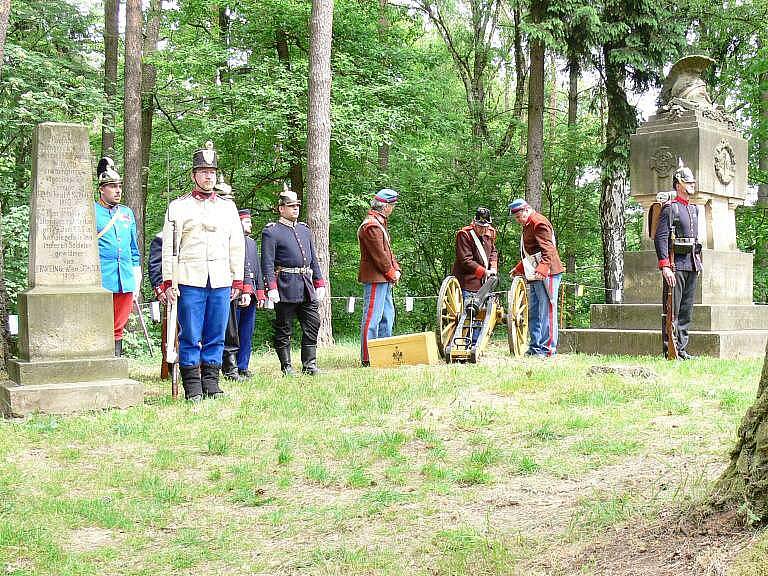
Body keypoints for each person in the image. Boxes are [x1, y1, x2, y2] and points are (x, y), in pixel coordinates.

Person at [159, 142, 245, 402]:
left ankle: (212, 382)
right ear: (194, 175)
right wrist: (168, 281)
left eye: (212, 172)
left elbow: (236, 244)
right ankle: (193, 387)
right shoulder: (178, 206)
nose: (209, 176)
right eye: (204, 171)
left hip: (219, 278)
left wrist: (237, 279)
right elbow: (169, 248)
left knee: (216, 333)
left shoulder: (227, 207)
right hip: (189, 278)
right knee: (191, 334)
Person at [261, 191, 326, 376]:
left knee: (313, 323)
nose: (295, 208)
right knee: (284, 328)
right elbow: (267, 262)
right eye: (291, 206)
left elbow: (312, 258)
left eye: (297, 205)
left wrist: (319, 282)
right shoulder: (271, 231)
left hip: (306, 285)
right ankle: (286, 367)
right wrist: (271, 287)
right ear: (281, 208)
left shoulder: (304, 229)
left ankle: (310, 365)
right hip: (285, 286)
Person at [654, 161, 701, 360]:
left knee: (686, 311)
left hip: (691, 263)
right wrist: (665, 266)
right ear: (678, 184)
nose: (692, 185)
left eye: (692, 182)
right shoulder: (670, 209)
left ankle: (681, 349)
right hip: (675, 265)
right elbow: (660, 237)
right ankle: (670, 350)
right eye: (688, 182)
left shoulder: (693, 209)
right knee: (671, 310)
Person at [94, 157, 141, 357]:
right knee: (99, 324)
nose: (118, 190)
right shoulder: (91, 211)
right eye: (112, 186)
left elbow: (133, 248)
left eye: (119, 186)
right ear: (101, 189)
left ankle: (116, 361)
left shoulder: (127, 213)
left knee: (119, 325)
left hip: (125, 278)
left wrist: (136, 277)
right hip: (103, 278)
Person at [509, 199, 564, 358]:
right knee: (534, 311)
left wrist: (543, 268)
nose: (518, 220)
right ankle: (535, 347)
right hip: (534, 273)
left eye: (519, 216)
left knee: (547, 311)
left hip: (548, 273)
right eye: (516, 218)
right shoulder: (528, 224)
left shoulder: (538, 222)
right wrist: (520, 268)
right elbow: (532, 251)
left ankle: (548, 350)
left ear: (527, 209)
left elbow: (548, 249)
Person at [357, 188, 401, 366]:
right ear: (385, 207)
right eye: (392, 206)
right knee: (372, 319)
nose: (393, 209)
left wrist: (395, 269)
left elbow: (388, 253)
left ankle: (384, 353)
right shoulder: (372, 226)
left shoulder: (378, 223)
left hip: (384, 278)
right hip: (376, 278)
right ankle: (368, 358)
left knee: (387, 317)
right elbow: (380, 256)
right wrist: (391, 272)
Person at [213, 177, 245, 381]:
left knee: (230, 327)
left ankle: (230, 367)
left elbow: (239, 253)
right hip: (205, 279)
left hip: (227, 279)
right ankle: (208, 369)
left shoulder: (233, 224)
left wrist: (239, 281)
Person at [236, 209, 265, 377]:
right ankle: (230, 365)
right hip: (237, 292)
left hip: (252, 293)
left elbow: (257, 269)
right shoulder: (231, 241)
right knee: (232, 332)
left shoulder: (252, 243)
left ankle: (243, 366)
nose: (250, 225)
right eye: (247, 222)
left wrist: (260, 293)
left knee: (246, 332)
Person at [452, 207, 498, 293]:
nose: (483, 230)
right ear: (474, 223)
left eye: (485, 227)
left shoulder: (490, 233)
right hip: (468, 283)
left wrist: (493, 268)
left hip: (485, 283)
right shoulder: (465, 234)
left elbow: (493, 251)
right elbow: (466, 260)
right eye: (480, 227)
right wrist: (484, 272)